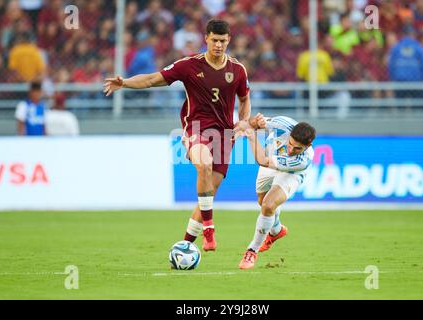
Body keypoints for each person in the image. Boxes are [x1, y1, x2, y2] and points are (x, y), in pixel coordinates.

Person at [104, 19, 259, 251]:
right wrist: (124, 82)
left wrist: (243, 122)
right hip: (196, 129)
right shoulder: (188, 65)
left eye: (223, 41)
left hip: (226, 135)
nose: (218, 45)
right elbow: (151, 79)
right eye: (214, 40)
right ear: (206, 38)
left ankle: (185, 247)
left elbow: (245, 100)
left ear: (229, 41)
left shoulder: (237, 70)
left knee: (208, 194)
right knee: (203, 164)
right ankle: (209, 229)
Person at [234, 116, 316, 269]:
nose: (291, 150)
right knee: (262, 201)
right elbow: (255, 123)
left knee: (268, 205)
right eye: (290, 144)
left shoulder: (302, 160)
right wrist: (254, 124)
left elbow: (262, 160)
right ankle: (276, 229)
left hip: (289, 172)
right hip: (270, 160)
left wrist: (251, 135)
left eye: (297, 148)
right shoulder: (281, 123)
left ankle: (252, 251)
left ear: (308, 145)